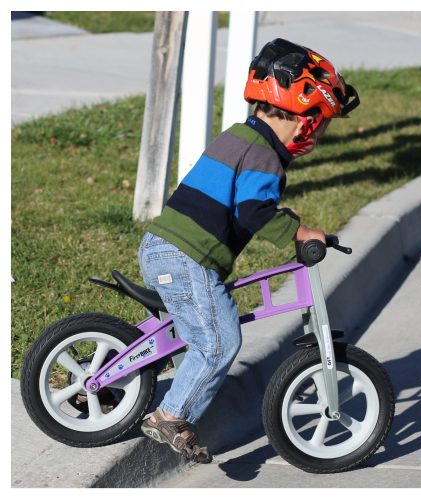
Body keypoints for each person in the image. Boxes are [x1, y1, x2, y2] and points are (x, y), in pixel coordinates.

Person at [137, 38, 359, 462]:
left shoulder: (241, 137)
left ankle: (126, 384)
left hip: (165, 248)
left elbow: (245, 201)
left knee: (195, 326)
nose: (317, 133)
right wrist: (299, 234)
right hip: (186, 258)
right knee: (219, 341)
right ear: (304, 120)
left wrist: (298, 226)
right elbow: (254, 210)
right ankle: (170, 414)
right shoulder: (265, 156)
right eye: (321, 122)